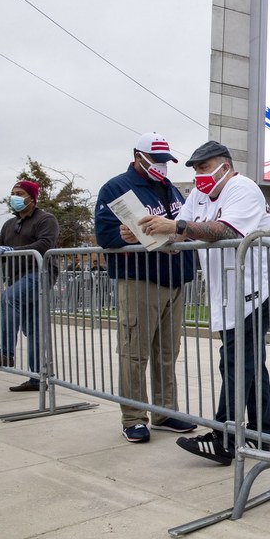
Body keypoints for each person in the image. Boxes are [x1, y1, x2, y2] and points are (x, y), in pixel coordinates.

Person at [138, 141, 270, 466]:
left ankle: (224, 438)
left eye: (203, 167)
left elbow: (225, 231)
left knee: (235, 360)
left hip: (258, 288)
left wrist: (177, 227)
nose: (198, 175)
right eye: (195, 169)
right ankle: (260, 434)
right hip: (230, 292)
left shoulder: (242, 189)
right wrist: (144, 233)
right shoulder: (198, 196)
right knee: (249, 361)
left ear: (225, 166)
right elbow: (177, 236)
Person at [94, 132, 197, 443]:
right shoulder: (116, 187)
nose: (161, 166)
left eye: (165, 161)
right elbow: (105, 236)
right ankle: (134, 417)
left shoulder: (170, 188)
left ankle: (164, 412)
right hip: (140, 278)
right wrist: (122, 236)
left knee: (168, 351)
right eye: (156, 160)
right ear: (138, 156)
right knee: (134, 352)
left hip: (174, 277)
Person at [0, 181, 59, 392]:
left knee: (8, 297)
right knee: (33, 329)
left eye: (20, 193)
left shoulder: (46, 219)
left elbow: (44, 245)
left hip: (39, 274)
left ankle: (5, 353)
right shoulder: (9, 224)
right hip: (16, 277)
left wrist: (11, 251)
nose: (14, 197)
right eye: (13, 193)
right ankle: (37, 379)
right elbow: (1, 253)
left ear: (32, 198)